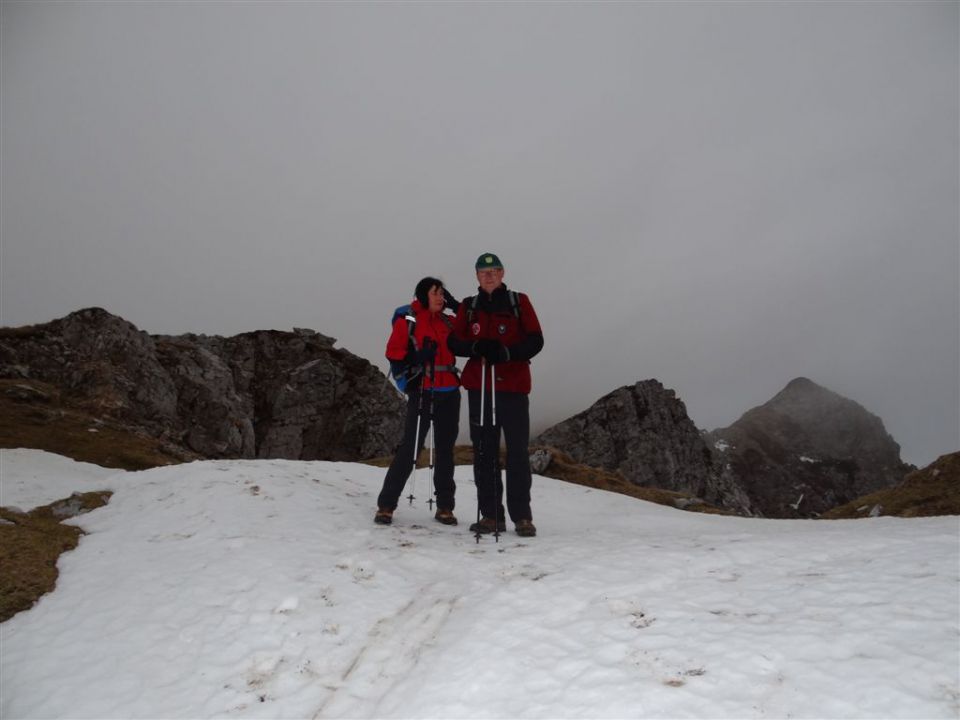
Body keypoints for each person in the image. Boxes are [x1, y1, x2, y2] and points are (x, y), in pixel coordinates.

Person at [447, 253, 544, 537]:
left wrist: (507, 353)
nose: (488, 276)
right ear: (476, 276)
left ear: (502, 273)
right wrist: (476, 347)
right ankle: (491, 515)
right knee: (484, 452)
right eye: (482, 272)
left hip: (512, 387)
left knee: (516, 453)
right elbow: (454, 341)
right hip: (480, 388)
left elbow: (536, 339)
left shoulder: (518, 301)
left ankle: (522, 517)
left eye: (493, 271)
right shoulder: (468, 306)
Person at [375, 277, 461, 526]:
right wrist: (416, 355)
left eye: (442, 293)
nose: (440, 297)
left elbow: (469, 326)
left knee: (445, 450)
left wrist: (457, 307)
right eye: (435, 293)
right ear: (423, 295)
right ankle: (386, 505)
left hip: (449, 391)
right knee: (411, 448)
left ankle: (445, 506)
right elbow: (393, 351)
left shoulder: (448, 321)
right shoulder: (408, 320)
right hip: (423, 388)